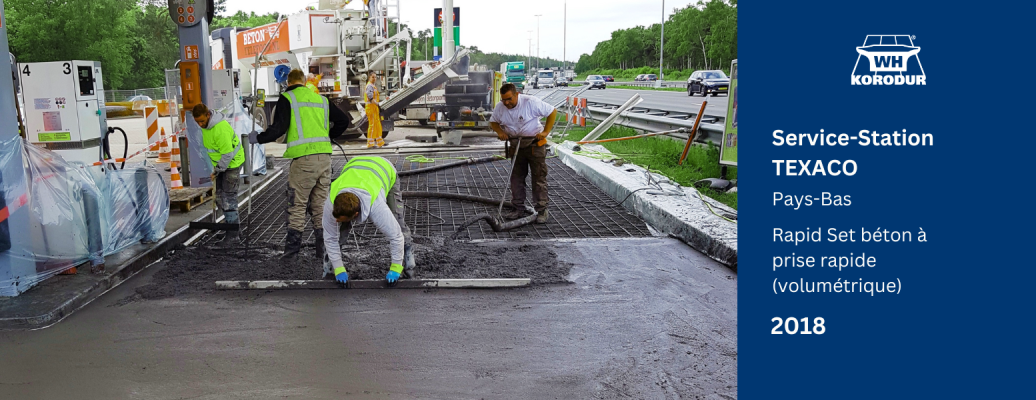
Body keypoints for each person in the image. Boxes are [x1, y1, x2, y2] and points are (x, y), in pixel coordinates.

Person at [250, 69, 352, 260]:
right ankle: (323, 254)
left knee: (296, 204)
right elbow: (343, 120)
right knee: (320, 205)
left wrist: (258, 138)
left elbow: (278, 129)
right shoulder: (321, 99)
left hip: (304, 161)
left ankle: (291, 255)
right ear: (304, 82)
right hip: (325, 159)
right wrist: (329, 137)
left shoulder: (287, 98)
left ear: (288, 82)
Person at [322, 156, 415, 284]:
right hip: (355, 165)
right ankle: (330, 268)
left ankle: (408, 264)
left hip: (384, 168)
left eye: (340, 219)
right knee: (341, 230)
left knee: (397, 222)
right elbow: (330, 237)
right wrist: (339, 268)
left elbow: (396, 236)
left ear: (355, 214)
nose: (336, 221)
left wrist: (395, 268)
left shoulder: (376, 206)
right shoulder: (331, 202)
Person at [489, 83, 557, 224]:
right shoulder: (500, 107)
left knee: (539, 177)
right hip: (515, 145)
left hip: (533, 145)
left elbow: (552, 111)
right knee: (516, 178)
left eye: (509, 99)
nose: (506, 103)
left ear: (517, 94)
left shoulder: (530, 102)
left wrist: (545, 132)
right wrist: (500, 132)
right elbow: (494, 122)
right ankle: (518, 208)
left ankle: (542, 210)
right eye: (504, 100)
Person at [193, 103, 245, 241]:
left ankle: (233, 236)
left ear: (208, 115)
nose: (200, 124)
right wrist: (214, 169)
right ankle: (232, 229)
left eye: (202, 121)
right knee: (220, 197)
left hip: (232, 164)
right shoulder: (206, 127)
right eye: (197, 122)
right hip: (221, 165)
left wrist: (217, 170)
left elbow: (228, 154)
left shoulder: (220, 129)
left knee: (228, 198)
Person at [363, 72, 385, 148]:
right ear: (369, 78)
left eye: (375, 77)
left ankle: (380, 142)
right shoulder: (370, 86)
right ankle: (370, 143)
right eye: (373, 77)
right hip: (371, 108)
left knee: (377, 125)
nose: (374, 79)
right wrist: (378, 104)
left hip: (374, 108)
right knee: (372, 125)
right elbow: (370, 97)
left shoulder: (372, 86)